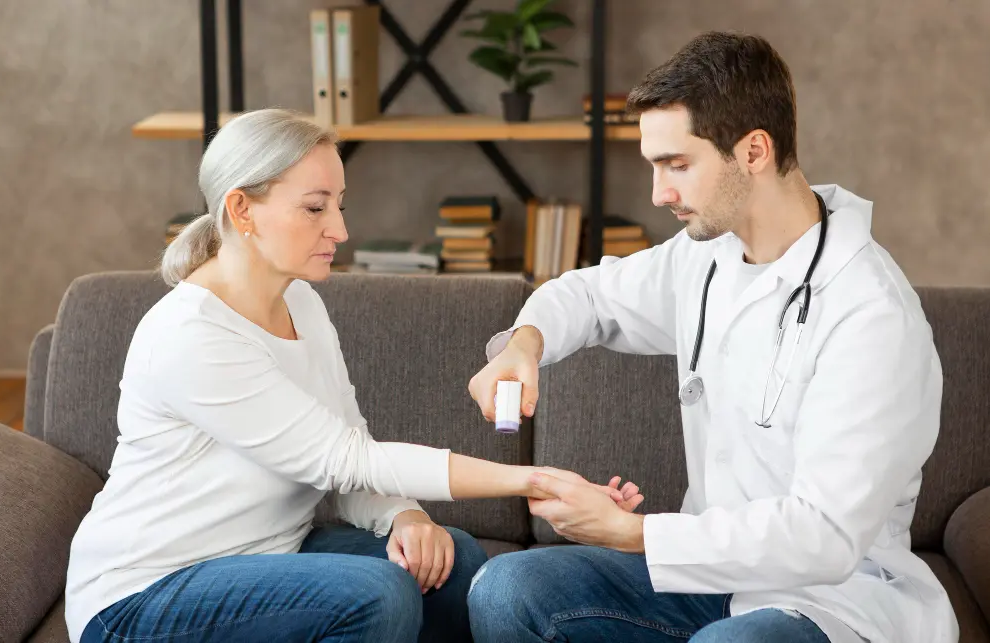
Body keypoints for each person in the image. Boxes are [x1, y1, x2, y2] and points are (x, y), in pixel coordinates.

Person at [65, 109, 642, 643]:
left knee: (452, 561)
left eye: (341, 204)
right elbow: (344, 459)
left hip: (268, 556)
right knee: (376, 594)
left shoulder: (304, 304)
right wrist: (534, 481)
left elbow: (350, 450)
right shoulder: (191, 334)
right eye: (315, 208)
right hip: (142, 596)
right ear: (242, 211)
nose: (339, 229)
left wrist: (404, 515)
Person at [465, 31, 957, 643]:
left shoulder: (871, 314)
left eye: (677, 165)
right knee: (507, 590)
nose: (658, 193)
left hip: (834, 603)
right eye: (654, 166)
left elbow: (825, 537)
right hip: (708, 583)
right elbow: (588, 295)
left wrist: (633, 533)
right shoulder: (706, 256)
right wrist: (525, 344)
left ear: (753, 151)